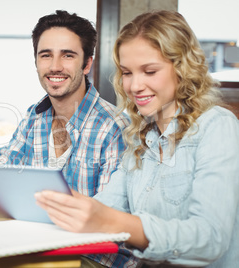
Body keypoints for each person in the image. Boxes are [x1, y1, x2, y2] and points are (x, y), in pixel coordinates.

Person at [35, 10, 239, 268]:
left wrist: (114, 222)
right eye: (127, 73)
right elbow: (105, 206)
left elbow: (210, 238)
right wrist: (67, 209)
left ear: (182, 68)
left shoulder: (217, 126)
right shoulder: (141, 138)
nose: (134, 86)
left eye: (150, 71)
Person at [0, 11, 129, 199]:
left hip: (82, 240)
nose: (55, 66)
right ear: (36, 62)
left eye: (67, 55)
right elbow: (1, 170)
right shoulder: (35, 117)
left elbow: (108, 215)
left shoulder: (113, 126)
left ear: (87, 64)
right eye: (46, 55)